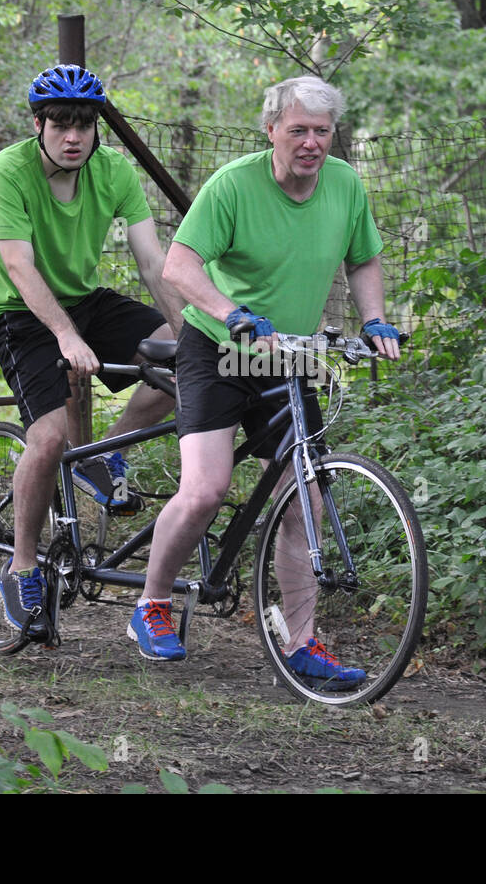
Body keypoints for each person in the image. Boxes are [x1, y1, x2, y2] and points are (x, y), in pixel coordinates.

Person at [130, 75, 401, 687]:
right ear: (271, 128)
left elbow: (363, 258)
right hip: (218, 347)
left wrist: (375, 318)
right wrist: (233, 313)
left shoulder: (345, 186)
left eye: (322, 132)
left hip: (287, 355)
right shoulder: (233, 186)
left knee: (302, 498)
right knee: (205, 490)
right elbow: (178, 265)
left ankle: (302, 645)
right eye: (298, 129)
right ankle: (151, 605)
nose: (311, 143)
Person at [0, 64, 182, 640]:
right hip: (19, 312)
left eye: (84, 124)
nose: (73, 136)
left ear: (96, 128)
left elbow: (151, 261)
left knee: (180, 359)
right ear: (38, 123)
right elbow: (19, 264)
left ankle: (106, 455)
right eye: (60, 123)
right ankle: (20, 566)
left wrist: (187, 331)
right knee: (49, 439)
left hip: (85, 300)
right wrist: (65, 336)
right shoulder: (9, 171)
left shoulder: (113, 170)